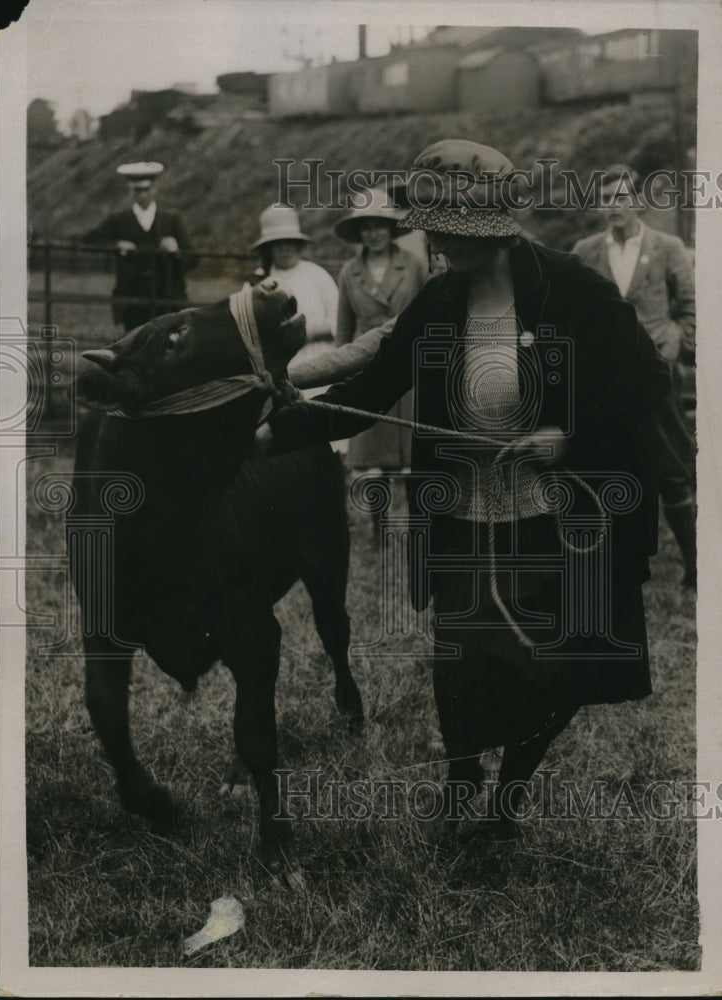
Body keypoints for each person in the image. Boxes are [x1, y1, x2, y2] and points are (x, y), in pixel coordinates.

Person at [260, 140, 671, 837]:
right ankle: (460, 779)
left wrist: (566, 437)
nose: (441, 246)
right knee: (459, 660)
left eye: (453, 235)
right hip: (462, 511)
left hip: (551, 513)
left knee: (547, 669)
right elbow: (373, 383)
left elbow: (644, 382)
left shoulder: (568, 288)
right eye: (437, 233)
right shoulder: (442, 297)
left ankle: (509, 792)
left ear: (495, 231)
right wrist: (273, 431)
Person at [572, 166, 696, 588]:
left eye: (622, 198)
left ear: (638, 202)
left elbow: (691, 307)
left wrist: (677, 343)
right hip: (606, 380)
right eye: (606, 199)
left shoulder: (667, 246)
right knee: (610, 466)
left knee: (671, 468)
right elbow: (575, 311)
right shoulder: (585, 251)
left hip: (656, 374)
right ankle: (617, 566)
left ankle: (696, 566)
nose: (614, 207)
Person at [333, 187, 426, 499]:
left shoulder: (413, 264)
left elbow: (430, 312)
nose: (373, 234)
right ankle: (375, 530)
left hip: (407, 363)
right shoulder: (349, 272)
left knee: (412, 453)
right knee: (371, 454)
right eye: (366, 227)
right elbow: (344, 328)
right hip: (367, 364)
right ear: (359, 232)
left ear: (391, 228)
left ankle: (417, 524)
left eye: (379, 225)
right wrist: (341, 371)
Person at [83, 162, 193, 331]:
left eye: (146, 189)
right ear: (130, 190)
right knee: (135, 348)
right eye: (137, 190)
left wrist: (176, 250)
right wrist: (116, 245)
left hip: (168, 299)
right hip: (133, 302)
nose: (142, 195)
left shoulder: (172, 220)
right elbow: (88, 241)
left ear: (155, 188)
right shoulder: (119, 220)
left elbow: (193, 258)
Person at [244, 204, 339, 382]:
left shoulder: (318, 275)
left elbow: (339, 322)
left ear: (298, 244)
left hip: (319, 364)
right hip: (276, 370)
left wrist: (306, 333)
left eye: (289, 242)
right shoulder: (256, 282)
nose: (284, 249)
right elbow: (245, 330)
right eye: (277, 243)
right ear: (269, 248)